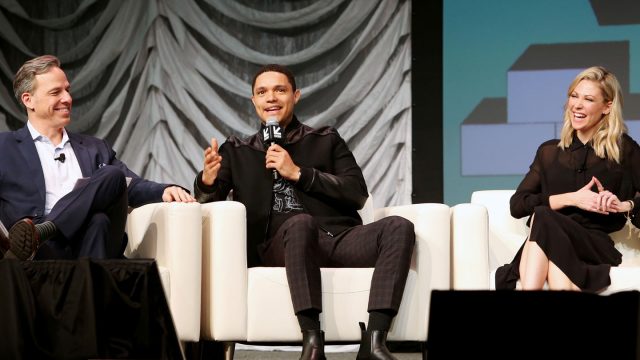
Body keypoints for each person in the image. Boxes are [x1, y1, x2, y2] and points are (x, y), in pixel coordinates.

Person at [194, 64, 415, 360]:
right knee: (301, 224)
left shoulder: (325, 139)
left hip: (337, 238)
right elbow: (209, 202)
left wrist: (298, 173)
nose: (270, 97)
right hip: (279, 246)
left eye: (279, 90)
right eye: (262, 92)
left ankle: (375, 341)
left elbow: (357, 192)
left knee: (399, 226)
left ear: (295, 95)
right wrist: (207, 180)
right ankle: (312, 341)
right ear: (254, 101)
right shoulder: (237, 149)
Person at [0, 54, 195, 261]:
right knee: (99, 220)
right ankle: (50, 244)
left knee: (112, 177)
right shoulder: (4, 147)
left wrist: (164, 190)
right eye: (56, 92)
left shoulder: (94, 148)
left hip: (85, 240)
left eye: (67, 90)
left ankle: (44, 230)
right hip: (38, 252)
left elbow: (131, 185)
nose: (67, 98)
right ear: (28, 100)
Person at [496, 66, 640, 292]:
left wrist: (625, 205)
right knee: (547, 228)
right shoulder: (549, 151)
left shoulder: (623, 149)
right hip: (551, 238)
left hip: (592, 244)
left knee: (543, 217)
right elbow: (518, 205)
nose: (577, 105)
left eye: (589, 99)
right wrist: (572, 199)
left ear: (607, 106)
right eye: (574, 96)